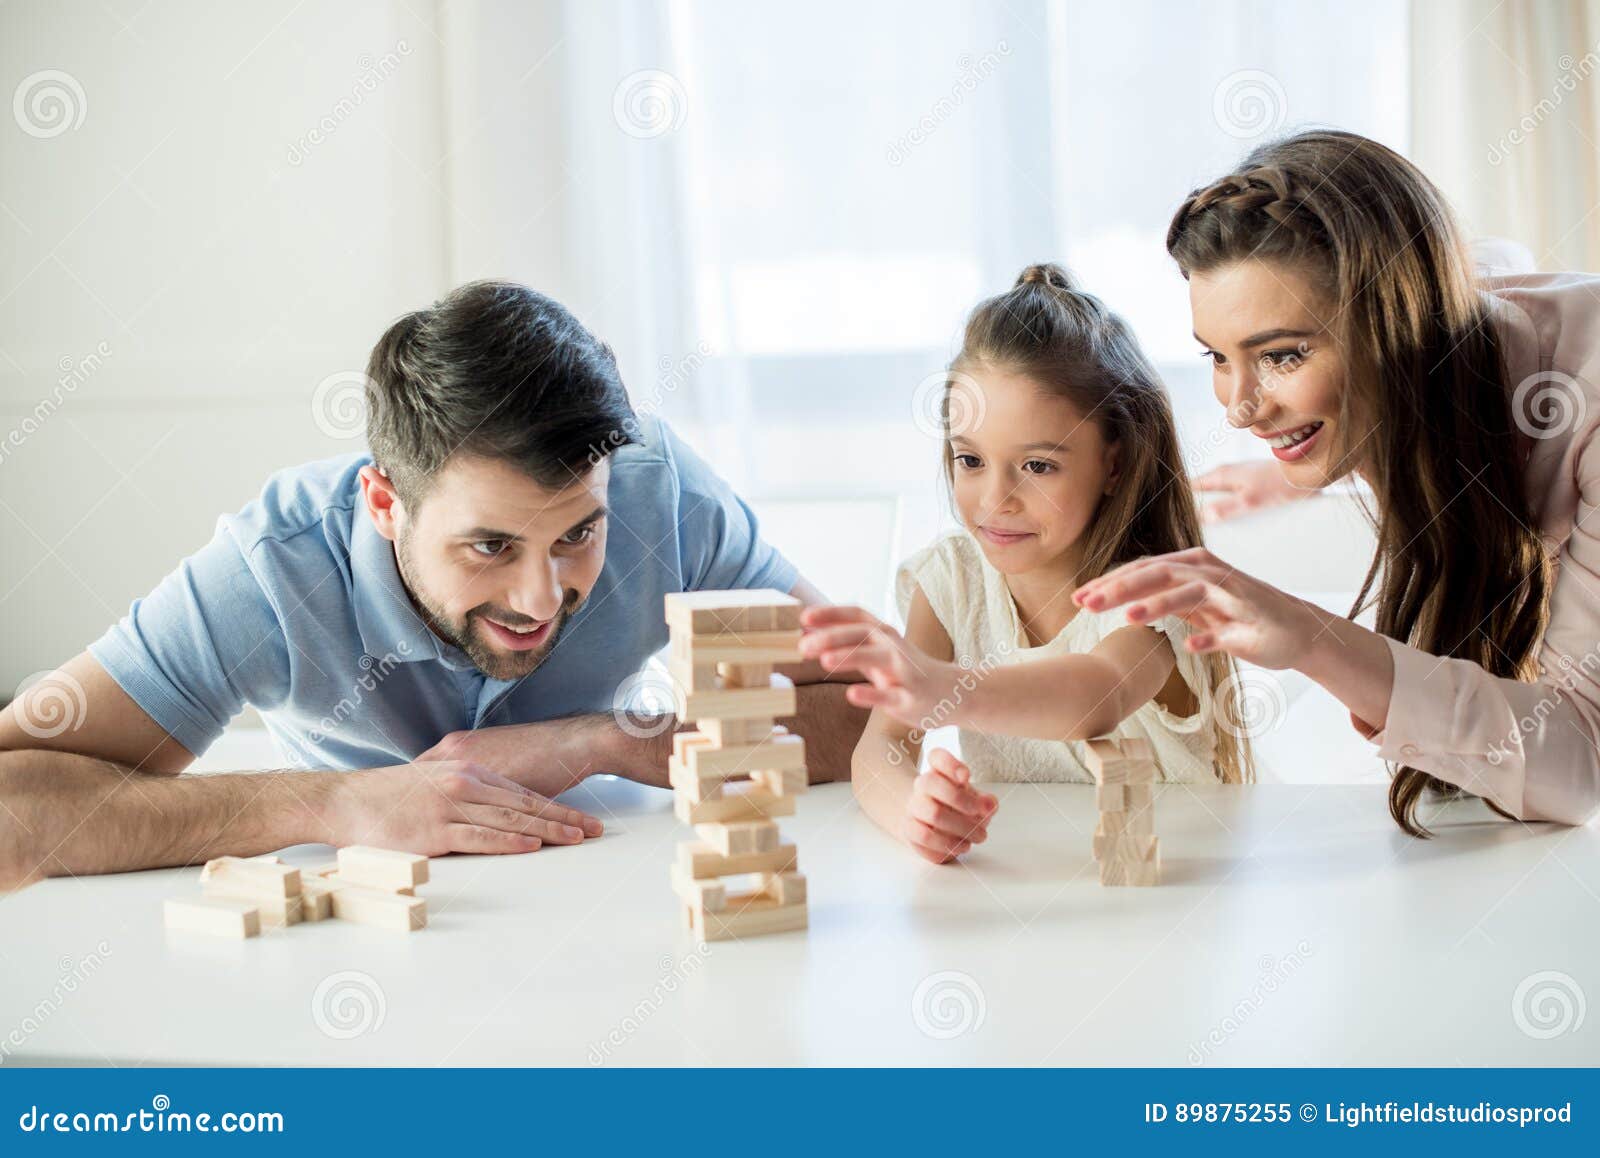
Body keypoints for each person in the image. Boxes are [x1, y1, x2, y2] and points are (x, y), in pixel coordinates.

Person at [0, 281, 864, 888]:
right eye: (489, 546)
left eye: (578, 535)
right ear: (384, 502)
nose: (538, 596)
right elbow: (11, 808)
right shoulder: (274, 570)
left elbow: (872, 709)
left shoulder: (657, 491)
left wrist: (598, 740)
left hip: (611, 893)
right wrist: (338, 802)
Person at [1075, 129, 1600, 834]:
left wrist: (1312, 638)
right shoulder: (1452, 317)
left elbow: (1580, 769)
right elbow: (1492, 266)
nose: (1238, 408)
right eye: (1217, 357)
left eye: (1283, 355)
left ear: (1400, 324)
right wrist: (1303, 466)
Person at [799, 264, 1250, 864]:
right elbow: (879, 750)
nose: (994, 500)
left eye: (1037, 466)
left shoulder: (1156, 589)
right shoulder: (953, 581)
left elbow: (1093, 695)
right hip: (1028, 889)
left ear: (1114, 463)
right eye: (970, 460)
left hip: (1172, 898)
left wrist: (940, 687)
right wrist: (915, 810)